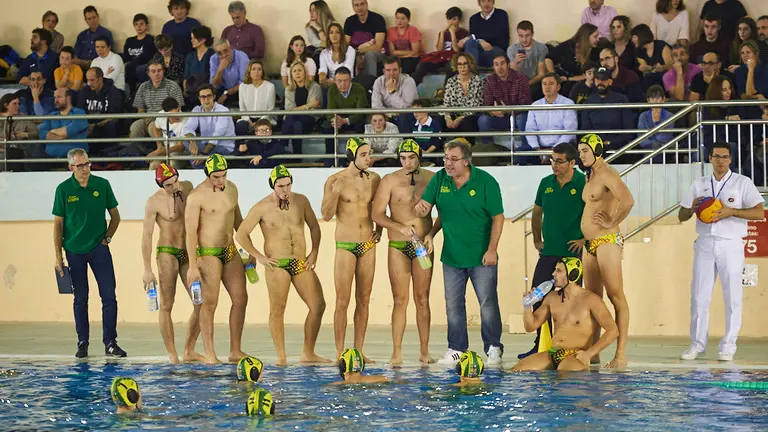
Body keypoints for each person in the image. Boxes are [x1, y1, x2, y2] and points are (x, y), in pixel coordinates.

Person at [414, 138, 505, 367]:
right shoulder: (440, 179)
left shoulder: (485, 181)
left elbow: (498, 217)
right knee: (453, 304)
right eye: (446, 158)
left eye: (453, 159)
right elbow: (429, 208)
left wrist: (492, 249)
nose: (448, 163)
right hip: (452, 257)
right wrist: (428, 224)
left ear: (466, 162)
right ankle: (456, 348)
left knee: (487, 303)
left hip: (482, 256)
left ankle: (493, 347)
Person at [235, 165, 330, 366]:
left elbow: (314, 227)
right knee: (278, 308)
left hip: (299, 261)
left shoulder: (301, 201)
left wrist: (314, 252)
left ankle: (308, 352)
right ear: (273, 185)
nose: (285, 190)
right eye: (280, 186)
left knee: (318, 305)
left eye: (288, 185)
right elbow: (241, 234)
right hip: (277, 264)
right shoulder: (262, 206)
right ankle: (281, 356)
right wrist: (259, 256)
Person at [678, 141, 764, 362]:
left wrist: (731, 212)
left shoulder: (742, 183)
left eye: (725, 157)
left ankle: (728, 346)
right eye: (716, 156)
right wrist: (692, 207)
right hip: (705, 242)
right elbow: (681, 216)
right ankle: (697, 345)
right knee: (699, 296)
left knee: (732, 297)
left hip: (731, 244)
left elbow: (758, 213)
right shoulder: (699, 184)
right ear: (709, 158)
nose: (721, 161)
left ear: (731, 159)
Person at [53, 148, 125, 358]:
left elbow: (115, 216)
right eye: (80, 165)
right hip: (74, 250)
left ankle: (110, 342)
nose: (85, 169)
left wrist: (107, 238)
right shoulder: (63, 189)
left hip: (98, 249)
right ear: (71, 167)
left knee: (109, 295)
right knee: (80, 298)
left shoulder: (102, 185)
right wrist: (59, 255)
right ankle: (82, 342)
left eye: (87, 164)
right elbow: (58, 224)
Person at [518, 143, 586, 359]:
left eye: (559, 161)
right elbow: (537, 213)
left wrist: (584, 239)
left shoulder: (583, 183)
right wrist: (537, 239)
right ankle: (541, 344)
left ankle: (569, 346)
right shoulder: (545, 183)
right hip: (548, 253)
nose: (553, 165)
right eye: (552, 160)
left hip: (571, 256)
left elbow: (596, 212)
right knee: (538, 297)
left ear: (572, 163)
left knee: (570, 302)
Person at [371, 140, 436, 365]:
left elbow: (445, 211)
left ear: (419, 156)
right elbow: (377, 214)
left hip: (422, 246)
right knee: (400, 300)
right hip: (398, 246)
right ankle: (396, 352)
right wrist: (399, 227)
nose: (407, 162)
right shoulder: (389, 180)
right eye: (403, 158)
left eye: (411, 157)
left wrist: (432, 234)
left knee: (422, 298)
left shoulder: (432, 179)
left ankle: (424, 351)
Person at [184, 154, 252, 364]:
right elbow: (191, 233)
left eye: (223, 176)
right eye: (216, 177)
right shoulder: (196, 197)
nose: (220, 181)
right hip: (209, 253)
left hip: (230, 251)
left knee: (241, 299)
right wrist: (193, 265)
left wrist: (248, 250)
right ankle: (209, 352)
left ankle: (235, 350)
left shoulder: (232, 188)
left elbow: (238, 221)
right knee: (209, 304)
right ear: (207, 175)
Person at [577, 133, 635, 368]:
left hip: (607, 240)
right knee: (593, 300)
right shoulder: (590, 176)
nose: (581, 155)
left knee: (615, 296)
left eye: (585, 151)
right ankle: (595, 352)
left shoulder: (607, 174)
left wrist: (612, 221)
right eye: (579, 151)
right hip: (590, 244)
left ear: (597, 150)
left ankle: (620, 354)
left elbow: (628, 200)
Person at [321, 138, 382, 360]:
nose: (369, 158)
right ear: (352, 156)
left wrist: (380, 231)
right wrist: (335, 193)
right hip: (345, 246)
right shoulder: (334, 180)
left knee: (364, 299)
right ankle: (340, 352)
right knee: (342, 301)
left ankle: (358, 350)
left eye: (369, 153)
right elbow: (326, 215)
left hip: (368, 244)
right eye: (364, 155)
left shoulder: (374, 179)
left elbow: (379, 209)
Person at [510, 258, 620, 371]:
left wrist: (589, 354)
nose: (553, 274)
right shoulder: (552, 297)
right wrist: (528, 306)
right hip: (553, 353)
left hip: (575, 355)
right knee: (517, 370)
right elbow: (530, 327)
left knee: (563, 375)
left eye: (558, 271)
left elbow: (613, 331)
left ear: (573, 275)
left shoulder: (591, 300)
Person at [142, 164, 203, 364]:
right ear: (161, 185)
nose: (174, 186)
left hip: (188, 252)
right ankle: (172, 354)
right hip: (167, 251)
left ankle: (189, 350)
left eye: (175, 181)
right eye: (169, 185)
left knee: (201, 302)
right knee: (167, 304)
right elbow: (147, 236)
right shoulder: (153, 202)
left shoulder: (187, 187)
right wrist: (147, 269)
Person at [478, 53, 531, 149]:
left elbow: (525, 104)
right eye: (496, 64)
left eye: (502, 63)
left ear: (508, 65)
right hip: (499, 118)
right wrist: (492, 111)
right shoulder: (490, 80)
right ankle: (489, 149)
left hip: (516, 116)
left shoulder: (520, 78)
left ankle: (526, 149)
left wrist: (508, 110)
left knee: (523, 118)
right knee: (483, 120)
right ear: (493, 67)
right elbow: (487, 104)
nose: (499, 67)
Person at [130, 60, 185, 151]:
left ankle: (161, 151)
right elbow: (140, 110)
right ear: (148, 73)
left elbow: (178, 109)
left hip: (165, 118)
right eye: (153, 71)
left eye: (159, 71)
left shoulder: (172, 86)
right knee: (135, 128)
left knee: (153, 126)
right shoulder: (143, 87)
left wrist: (158, 119)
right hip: (146, 118)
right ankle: (145, 154)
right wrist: (145, 118)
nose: (156, 74)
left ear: (163, 71)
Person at [581, 68, 636, 153]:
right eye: (598, 79)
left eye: (604, 80)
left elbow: (628, 129)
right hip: (594, 149)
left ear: (610, 81)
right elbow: (585, 129)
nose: (600, 82)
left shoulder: (622, 100)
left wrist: (610, 143)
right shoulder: (588, 102)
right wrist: (598, 144)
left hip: (619, 149)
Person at [181, 84, 236, 168]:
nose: (206, 99)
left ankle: (207, 172)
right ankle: (206, 168)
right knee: (186, 141)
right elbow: (188, 127)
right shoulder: (197, 109)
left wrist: (203, 154)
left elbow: (217, 136)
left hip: (223, 146)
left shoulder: (223, 110)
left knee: (193, 160)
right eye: (203, 97)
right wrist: (192, 141)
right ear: (199, 99)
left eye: (209, 96)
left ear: (214, 97)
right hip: (206, 144)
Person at [411, 6, 469, 86]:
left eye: (454, 19)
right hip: (441, 57)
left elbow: (456, 50)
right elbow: (439, 49)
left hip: (453, 58)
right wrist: (442, 33)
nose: (451, 22)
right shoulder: (443, 32)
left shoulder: (464, 33)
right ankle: (412, 87)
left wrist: (452, 34)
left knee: (452, 67)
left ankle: (445, 91)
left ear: (459, 20)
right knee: (422, 65)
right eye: (449, 19)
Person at [524, 74, 578, 159]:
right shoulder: (535, 105)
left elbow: (569, 130)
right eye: (544, 84)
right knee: (519, 155)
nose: (547, 87)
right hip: (539, 148)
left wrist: (554, 151)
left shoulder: (568, 103)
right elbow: (530, 130)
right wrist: (537, 149)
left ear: (558, 87)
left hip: (562, 147)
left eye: (551, 83)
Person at [324, 68, 368, 166]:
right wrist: (334, 120)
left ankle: (358, 157)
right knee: (327, 127)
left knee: (360, 125)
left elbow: (361, 112)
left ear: (350, 80)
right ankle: (330, 158)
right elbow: (329, 111)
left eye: (345, 81)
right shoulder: (332, 90)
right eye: (339, 81)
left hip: (353, 120)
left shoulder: (359, 89)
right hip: (339, 120)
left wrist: (345, 120)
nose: (342, 84)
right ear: (335, 81)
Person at [77, 67, 125, 156]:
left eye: (92, 80)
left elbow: (114, 118)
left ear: (100, 79)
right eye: (87, 80)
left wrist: (95, 125)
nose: (89, 83)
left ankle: (108, 156)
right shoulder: (84, 91)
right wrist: (86, 125)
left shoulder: (113, 92)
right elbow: (79, 112)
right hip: (88, 126)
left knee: (110, 125)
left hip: (104, 126)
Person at [544, 24, 600, 95]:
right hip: (564, 83)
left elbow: (591, 74)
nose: (598, 39)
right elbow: (548, 58)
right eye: (595, 36)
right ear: (586, 37)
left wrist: (570, 79)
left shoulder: (595, 51)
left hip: (583, 83)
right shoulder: (568, 45)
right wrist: (553, 75)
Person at [442, 53, 484, 143]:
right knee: (440, 122)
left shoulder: (478, 81)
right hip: (454, 115)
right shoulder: (451, 81)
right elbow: (447, 103)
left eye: (465, 63)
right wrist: (448, 118)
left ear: (470, 65)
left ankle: (466, 150)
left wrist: (460, 118)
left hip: (471, 115)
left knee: (466, 123)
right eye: (459, 64)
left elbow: (476, 105)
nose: (462, 67)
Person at [281, 61, 322, 155]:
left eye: (300, 70)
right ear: (291, 75)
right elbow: (289, 110)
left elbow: (314, 109)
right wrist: (308, 105)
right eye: (294, 71)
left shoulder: (314, 87)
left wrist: (293, 112)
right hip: (296, 121)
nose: (297, 73)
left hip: (311, 118)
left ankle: (282, 145)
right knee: (296, 124)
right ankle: (297, 156)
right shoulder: (289, 89)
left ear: (305, 72)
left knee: (290, 118)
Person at [371, 57, 418, 133]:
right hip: (386, 116)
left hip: (406, 117)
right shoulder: (378, 82)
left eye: (394, 70)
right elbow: (376, 106)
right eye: (388, 70)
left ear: (400, 70)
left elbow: (407, 108)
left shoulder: (409, 82)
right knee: (374, 119)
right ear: (384, 71)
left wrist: (392, 91)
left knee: (402, 118)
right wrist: (390, 114)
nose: (391, 73)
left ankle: (405, 143)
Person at [39, 88, 89, 158]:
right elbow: (42, 133)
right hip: (50, 157)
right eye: (55, 97)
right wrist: (62, 137)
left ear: (68, 98)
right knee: (32, 164)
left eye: (59, 97)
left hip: (74, 158)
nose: (56, 100)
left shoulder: (79, 113)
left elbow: (69, 131)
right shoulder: (51, 115)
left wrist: (51, 132)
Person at [344, 0, 387, 77]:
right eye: (356, 5)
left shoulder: (378, 19)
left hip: (376, 53)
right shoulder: (349, 21)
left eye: (362, 4)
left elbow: (377, 46)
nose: (360, 8)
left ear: (367, 5)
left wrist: (357, 51)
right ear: (353, 7)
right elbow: (345, 44)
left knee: (369, 55)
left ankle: (371, 82)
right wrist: (353, 53)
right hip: (356, 52)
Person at [464, 0, 510, 68]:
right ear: (479, 3)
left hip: (496, 49)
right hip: (479, 50)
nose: (486, 4)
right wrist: (480, 41)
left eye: (489, 1)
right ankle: (473, 70)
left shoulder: (501, 14)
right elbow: (472, 37)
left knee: (469, 57)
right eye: (483, 1)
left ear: (493, 2)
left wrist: (480, 40)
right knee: (469, 43)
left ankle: (472, 73)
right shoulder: (473, 19)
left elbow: (499, 35)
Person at [638, 85, 675, 163]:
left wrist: (653, 142)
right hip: (649, 151)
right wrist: (653, 144)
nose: (655, 101)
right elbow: (641, 139)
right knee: (650, 155)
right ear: (648, 100)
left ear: (663, 99)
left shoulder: (669, 115)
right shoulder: (643, 116)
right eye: (652, 98)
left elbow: (666, 137)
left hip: (665, 150)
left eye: (658, 98)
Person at [148, 98, 188, 170]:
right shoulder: (161, 115)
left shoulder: (185, 121)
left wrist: (160, 151)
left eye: (178, 111)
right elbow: (156, 128)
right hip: (165, 150)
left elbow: (180, 147)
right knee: (154, 164)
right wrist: (159, 146)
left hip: (180, 152)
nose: (177, 116)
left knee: (171, 162)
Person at [508, 21, 549, 89]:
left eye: (527, 35)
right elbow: (512, 75)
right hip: (518, 84)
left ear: (532, 34)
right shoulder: (512, 49)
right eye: (521, 36)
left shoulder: (542, 48)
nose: (524, 39)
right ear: (518, 35)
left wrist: (527, 84)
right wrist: (516, 62)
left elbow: (541, 74)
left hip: (535, 83)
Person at [237, 60, 277, 130]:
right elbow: (242, 109)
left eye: (259, 69)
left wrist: (258, 123)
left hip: (264, 119)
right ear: (249, 71)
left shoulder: (270, 86)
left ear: (262, 72)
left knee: (263, 128)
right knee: (241, 126)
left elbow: (270, 109)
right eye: (253, 69)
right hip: (248, 119)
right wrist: (249, 122)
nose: (256, 72)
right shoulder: (242, 86)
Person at [209, 39, 249, 108]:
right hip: (221, 90)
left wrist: (226, 94)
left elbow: (244, 82)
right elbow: (215, 85)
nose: (224, 55)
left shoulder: (241, 56)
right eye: (219, 53)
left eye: (225, 51)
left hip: (240, 91)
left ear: (230, 48)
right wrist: (220, 70)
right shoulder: (214, 59)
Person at [632, 23, 673, 89]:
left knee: (651, 78)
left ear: (641, 36)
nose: (632, 40)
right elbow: (644, 68)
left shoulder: (661, 45)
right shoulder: (639, 50)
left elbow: (670, 65)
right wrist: (653, 67)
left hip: (666, 76)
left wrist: (662, 68)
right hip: (651, 78)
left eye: (634, 37)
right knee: (648, 77)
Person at [123, 14, 157, 92]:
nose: (139, 26)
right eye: (136, 24)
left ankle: (133, 93)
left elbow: (148, 57)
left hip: (143, 67)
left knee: (131, 67)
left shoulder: (150, 39)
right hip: (130, 67)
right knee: (128, 67)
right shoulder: (129, 41)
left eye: (141, 24)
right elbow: (125, 57)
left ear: (146, 26)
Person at [184, 26, 215, 106]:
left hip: (208, 93)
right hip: (192, 93)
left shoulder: (212, 55)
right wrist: (186, 89)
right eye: (191, 38)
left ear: (203, 39)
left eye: (194, 38)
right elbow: (186, 77)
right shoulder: (190, 56)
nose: (192, 40)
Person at [387, 7, 422, 75]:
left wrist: (400, 55)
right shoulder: (391, 31)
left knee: (406, 64)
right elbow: (392, 52)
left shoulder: (413, 30)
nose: (399, 21)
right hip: (399, 58)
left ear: (408, 20)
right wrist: (406, 55)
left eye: (403, 18)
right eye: (397, 18)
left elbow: (415, 51)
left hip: (412, 59)